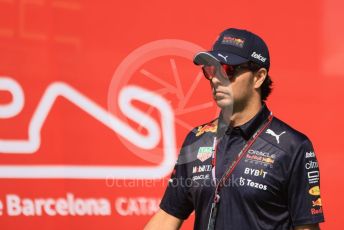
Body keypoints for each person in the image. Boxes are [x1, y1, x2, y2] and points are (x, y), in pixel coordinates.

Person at [144, 28, 324, 230]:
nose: (215, 79)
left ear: (259, 77)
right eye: (211, 69)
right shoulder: (197, 139)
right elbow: (168, 216)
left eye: (228, 70)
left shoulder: (294, 147)